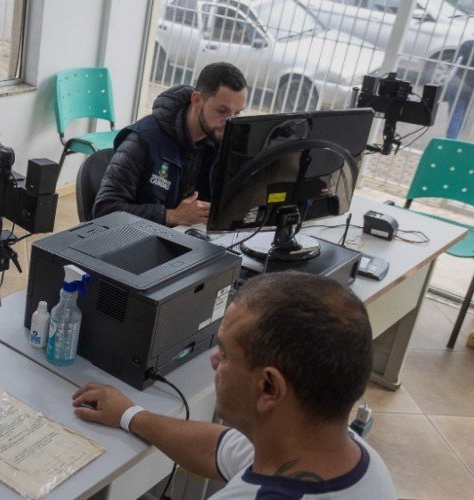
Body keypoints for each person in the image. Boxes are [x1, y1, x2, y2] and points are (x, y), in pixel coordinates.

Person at [72, 272, 397, 499]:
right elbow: (222, 447)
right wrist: (130, 415)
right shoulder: (347, 452)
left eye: (226, 353)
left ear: (269, 388)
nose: (214, 361)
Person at [92, 62, 247, 227]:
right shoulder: (141, 141)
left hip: (186, 239)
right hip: (133, 242)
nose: (230, 122)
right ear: (197, 100)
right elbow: (104, 210)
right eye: (222, 111)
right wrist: (171, 216)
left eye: (237, 113)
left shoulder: (219, 139)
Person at [443, 40, 474, 140]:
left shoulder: (468, 45)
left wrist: (447, 82)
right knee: (464, 117)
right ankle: (458, 141)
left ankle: (451, 143)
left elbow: (456, 64)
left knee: (456, 116)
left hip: (459, 84)